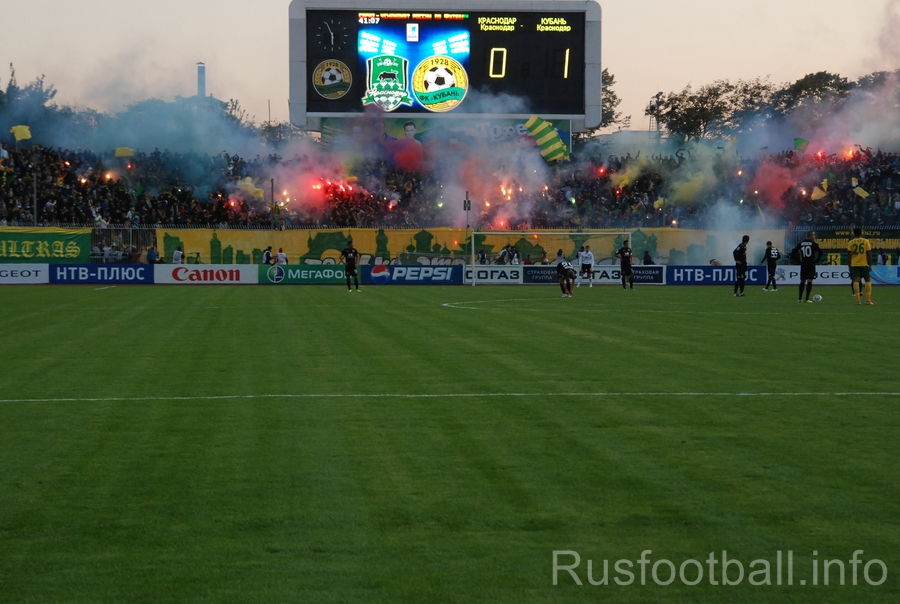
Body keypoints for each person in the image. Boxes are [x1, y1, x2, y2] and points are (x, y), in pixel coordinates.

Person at [791, 230, 823, 303]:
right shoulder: (813, 244)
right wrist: (816, 260)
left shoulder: (801, 243)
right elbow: (820, 252)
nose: (814, 236)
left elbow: (793, 252)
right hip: (811, 263)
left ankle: (800, 298)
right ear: (811, 235)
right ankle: (807, 299)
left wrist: (798, 261)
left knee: (802, 281)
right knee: (809, 281)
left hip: (803, 263)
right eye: (813, 235)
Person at [847, 227, 873, 305]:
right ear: (861, 233)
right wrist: (870, 264)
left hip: (854, 264)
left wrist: (849, 266)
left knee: (856, 281)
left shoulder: (851, 242)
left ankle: (858, 300)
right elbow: (869, 254)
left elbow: (849, 255)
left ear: (854, 233)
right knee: (867, 280)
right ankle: (868, 300)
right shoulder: (866, 241)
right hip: (864, 264)